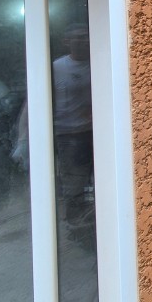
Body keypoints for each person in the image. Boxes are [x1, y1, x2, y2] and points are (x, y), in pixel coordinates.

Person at [52, 23, 94, 229]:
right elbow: (33, 102)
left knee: (96, 176)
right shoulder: (57, 68)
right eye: (78, 37)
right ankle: (74, 224)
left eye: (86, 36)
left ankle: (93, 218)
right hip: (68, 133)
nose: (83, 40)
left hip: (93, 132)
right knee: (73, 180)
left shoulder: (97, 64)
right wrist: (24, 136)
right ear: (66, 42)